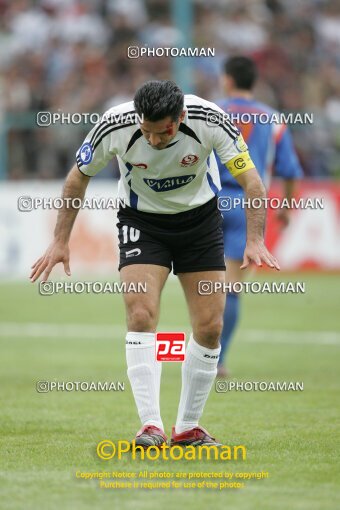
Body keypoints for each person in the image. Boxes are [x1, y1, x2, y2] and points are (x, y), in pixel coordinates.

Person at [30, 80, 280, 448]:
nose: (153, 141)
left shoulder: (211, 118)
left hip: (200, 224)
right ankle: (150, 426)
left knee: (210, 327)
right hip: (142, 223)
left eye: (161, 133)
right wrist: (60, 240)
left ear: (179, 118)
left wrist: (256, 239)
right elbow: (76, 179)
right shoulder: (115, 125)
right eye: (145, 131)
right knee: (141, 315)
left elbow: (253, 182)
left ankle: (188, 428)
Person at [216, 57, 303, 377]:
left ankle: (199, 351)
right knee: (231, 287)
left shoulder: (210, 112)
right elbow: (291, 170)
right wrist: (287, 206)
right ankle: (218, 359)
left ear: (227, 80)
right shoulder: (273, 118)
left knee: (202, 284)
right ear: (254, 83)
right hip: (247, 204)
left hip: (207, 201)